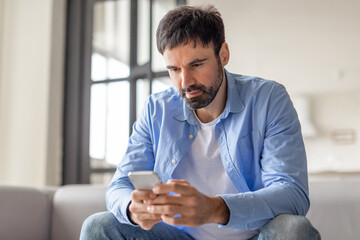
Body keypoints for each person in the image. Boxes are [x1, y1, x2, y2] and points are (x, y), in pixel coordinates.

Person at [80, 5, 321, 240]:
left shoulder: (268, 99)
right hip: (177, 236)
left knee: (292, 229)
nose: (185, 82)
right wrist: (132, 207)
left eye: (196, 65)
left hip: (256, 236)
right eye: (174, 69)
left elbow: (292, 194)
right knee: (98, 226)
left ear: (223, 55)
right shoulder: (156, 109)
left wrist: (214, 208)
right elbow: (119, 186)